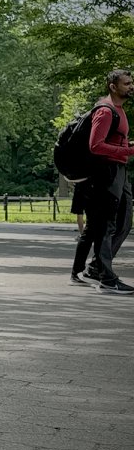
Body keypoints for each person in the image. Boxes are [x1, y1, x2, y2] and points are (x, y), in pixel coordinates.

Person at [71, 68, 134, 293]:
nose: (131, 86)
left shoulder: (118, 110)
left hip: (119, 170)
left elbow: (114, 140)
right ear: (113, 86)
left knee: (124, 223)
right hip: (106, 172)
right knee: (105, 226)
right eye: (126, 83)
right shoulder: (106, 111)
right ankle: (106, 278)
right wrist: (127, 150)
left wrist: (126, 147)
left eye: (131, 82)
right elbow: (95, 145)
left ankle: (95, 268)